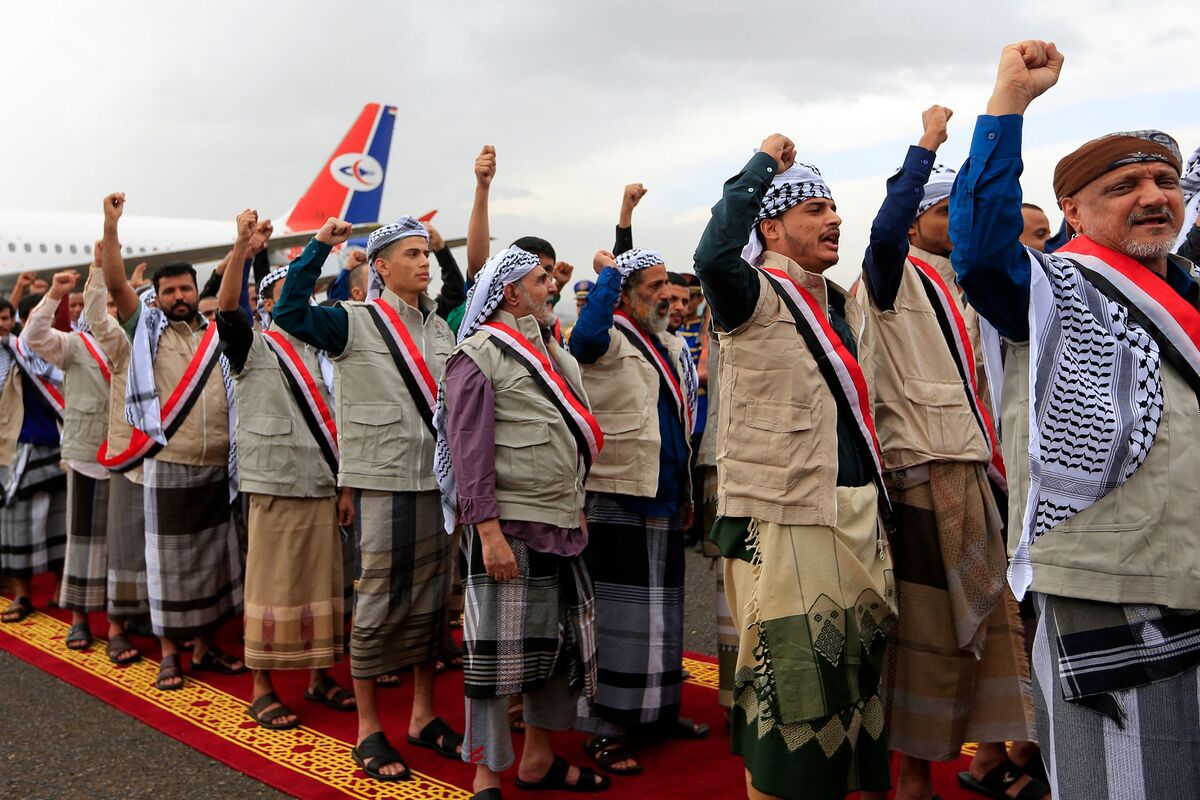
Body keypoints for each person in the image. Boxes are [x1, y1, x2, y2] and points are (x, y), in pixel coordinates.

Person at [951, 39, 1200, 800]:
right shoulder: (1049, 286)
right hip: (1110, 574)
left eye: (1164, 180)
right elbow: (981, 244)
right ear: (1073, 210)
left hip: (1193, 566)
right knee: (1125, 783)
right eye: (1125, 185)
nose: (1153, 195)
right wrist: (1009, 105)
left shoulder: (1189, 286)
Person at [694, 136, 896, 800]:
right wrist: (760, 167)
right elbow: (712, 254)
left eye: (835, 208)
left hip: (851, 510)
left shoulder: (834, 301)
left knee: (849, 683)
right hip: (788, 515)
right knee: (797, 692)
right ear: (772, 227)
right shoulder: (749, 293)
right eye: (813, 208)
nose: (833, 219)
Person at [860, 105, 1042, 800]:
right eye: (942, 210)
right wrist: (927, 145)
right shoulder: (887, 277)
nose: (952, 219)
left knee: (991, 631)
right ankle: (912, 780)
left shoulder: (967, 285)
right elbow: (882, 228)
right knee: (929, 640)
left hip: (978, 472)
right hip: (920, 475)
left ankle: (989, 755)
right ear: (914, 222)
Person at [273, 214, 461, 781]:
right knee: (378, 605)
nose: (424, 262)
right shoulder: (352, 321)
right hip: (382, 481)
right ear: (379, 267)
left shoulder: (440, 328)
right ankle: (369, 729)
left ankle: (423, 716)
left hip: (436, 483)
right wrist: (318, 248)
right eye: (411, 254)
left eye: (426, 254)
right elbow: (288, 314)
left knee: (432, 604)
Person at [440, 246, 608, 798]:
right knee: (494, 660)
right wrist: (486, 533)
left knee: (560, 649)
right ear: (510, 293)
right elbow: (469, 451)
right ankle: (485, 772)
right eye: (539, 280)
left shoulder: (552, 350)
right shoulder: (478, 354)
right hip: (508, 529)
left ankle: (538, 761)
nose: (550, 287)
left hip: (561, 524)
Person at [211, 209, 353, 729]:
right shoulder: (251, 345)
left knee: (322, 585)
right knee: (270, 586)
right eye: (287, 294)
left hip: (320, 482)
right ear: (267, 304)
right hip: (273, 483)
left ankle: (318, 676)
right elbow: (227, 307)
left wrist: (343, 486)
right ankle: (262, 686)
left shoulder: (323, 352)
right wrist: (240, 249)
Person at [100, 192, 245, 692]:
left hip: (215, 468)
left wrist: (242, 246)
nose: (180, 296)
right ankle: (169, 655)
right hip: (170, 463)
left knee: (213, 565)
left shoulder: (213, 334)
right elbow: (117, 282)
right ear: (156, 296)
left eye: (186, 288)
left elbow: (230, 295)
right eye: (170, 291)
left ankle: (206, 647)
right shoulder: (146, 331)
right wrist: (111, 227)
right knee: (167, 568)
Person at [569, 247, 705, 776]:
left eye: (666, 289)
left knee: (663, 618)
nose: (665, 297)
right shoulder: (607, 335)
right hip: (618, 491)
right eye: (651, 287)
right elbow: (581, 340)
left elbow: (678, 424)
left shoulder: (667, 342)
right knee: (616, 619)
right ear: (625, 294)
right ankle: (602, 728)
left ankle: (656, 712)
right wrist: (609, 277)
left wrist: (689, 495)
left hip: (665, 492)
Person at [19, 263, 145, 663]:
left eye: (115, 302)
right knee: (82, 538)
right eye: (103, 302)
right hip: (86, 454)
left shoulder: (137, 347)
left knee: (122, 543)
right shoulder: (73, 344)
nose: (109, 310)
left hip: (128, 454)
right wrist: (54, 294)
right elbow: (32, 336)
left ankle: (118, 625)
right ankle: (79, 617)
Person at [0, 290, 67, 624]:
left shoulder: (63, 349)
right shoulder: (10, 352)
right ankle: (22, 595)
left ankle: (60, 591)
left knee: (59, 521)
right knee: (16, 524)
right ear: (23, 322)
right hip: (22, 446)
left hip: (61, 444)